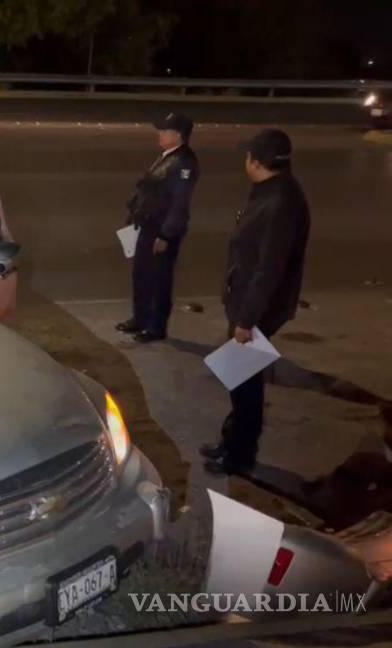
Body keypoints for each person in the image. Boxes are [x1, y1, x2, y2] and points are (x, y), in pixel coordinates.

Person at [202, 129, 311, 475]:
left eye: (248, 155)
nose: (244, 160)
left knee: (244, 383)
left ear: (258, 162)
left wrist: (246, 321)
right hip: (248, 301)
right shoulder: (271, 191)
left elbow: (269, 269)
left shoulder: (280, 203)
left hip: (257, 308)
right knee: (239, 379)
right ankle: (232, 441)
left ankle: (240, 455)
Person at [117, 113, 200, 343]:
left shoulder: (184, 163)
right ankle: (140, 319)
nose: (160, 134)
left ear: (179, 136)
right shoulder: (167, 156)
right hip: (148, 223)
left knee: (158, 278)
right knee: (142, 274)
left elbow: (179, 204)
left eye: (165, 131)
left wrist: (166, 234)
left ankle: (155, 327)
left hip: (162, 229)